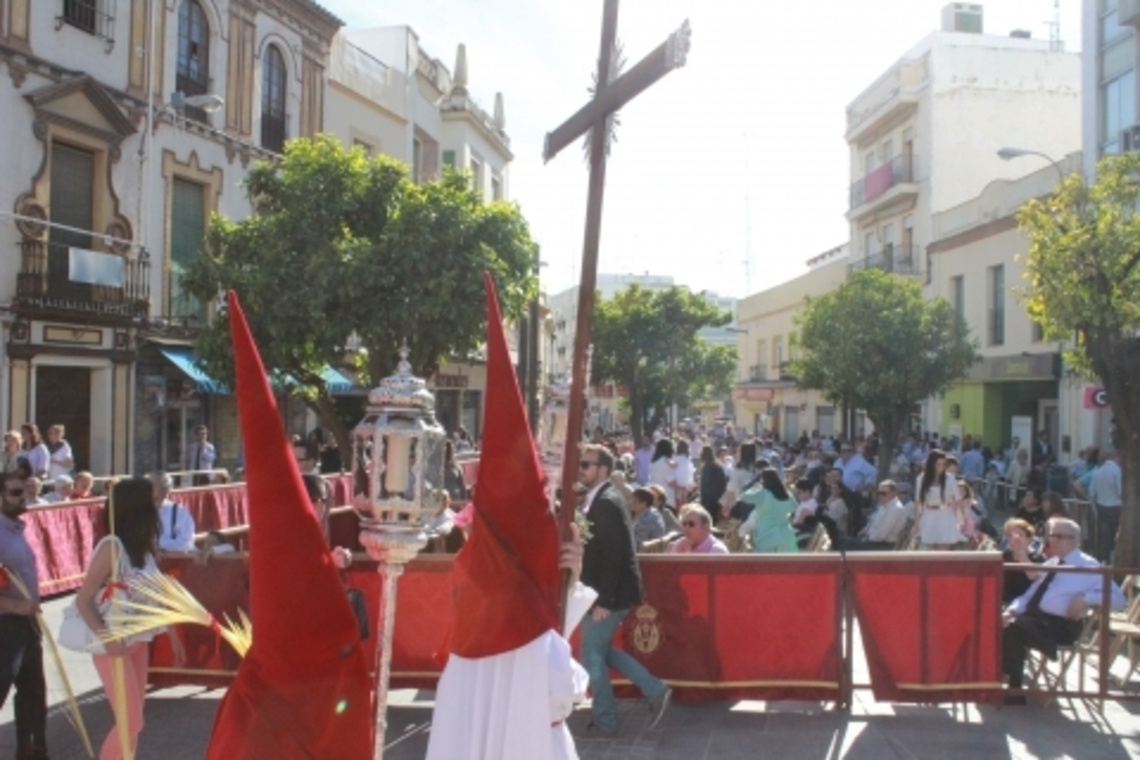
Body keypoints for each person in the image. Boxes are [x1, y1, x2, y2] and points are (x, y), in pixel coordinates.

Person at [76, 478, 185, 758]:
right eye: (152, 499)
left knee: (133, 723)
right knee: (132, 721)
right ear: (137, 508)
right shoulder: (111, 547)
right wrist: (108, 640)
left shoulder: (145, 547)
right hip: (114, 645)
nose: (158, 504)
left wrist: (171, 634)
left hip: (139, 640)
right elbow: (83, 599)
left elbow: (154, 593)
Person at [578, 444, 671, 736]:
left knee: (591, 656)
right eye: (581, 464)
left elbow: (614, 554)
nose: (581, 469)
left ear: (603, 470)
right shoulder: (603, 497)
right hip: (608, 593)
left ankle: (606, 721)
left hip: (607, 596)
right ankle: (656, 690)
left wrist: (603, 600)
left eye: (586, 465)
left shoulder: (605, 501)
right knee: (601, 651)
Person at [1002, 518, 1124, 704]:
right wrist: (1011, 610)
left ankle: (1014, 688)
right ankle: (1002, 680)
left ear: (1076, 540)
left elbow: (1119, 599)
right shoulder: (1052, 562)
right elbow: (1029, 595)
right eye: (1051, 535)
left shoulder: (1088, 565)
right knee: (1001, 620)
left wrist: (1086, 598)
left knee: (1013, 627)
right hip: (1037, 620)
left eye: (1060, 536)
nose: (1054, 540)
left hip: (1061, 626)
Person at [0, 470, 50, 759]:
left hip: (27, 623)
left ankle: (31, 751)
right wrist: (15, 606)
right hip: (6, 624)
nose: (24, 498)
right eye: (16, 493)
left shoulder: (16, 529)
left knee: (33, 692)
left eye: (25, 492)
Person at [737, 468, 798, 553]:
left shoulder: (763, 494)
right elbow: (794, 506)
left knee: (765, 565)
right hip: (786, 535)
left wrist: (754, 488)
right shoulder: (786, 494)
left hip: (766, 536)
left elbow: (744, 497)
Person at [915, 449, 963, 549]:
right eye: (938, 464)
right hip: (929, 516)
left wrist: (961, 520)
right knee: (929, 553)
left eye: (943, 464)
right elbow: (918, 502)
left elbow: (958, 500)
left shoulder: (950, 478)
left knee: (943, 553)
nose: (941, 467)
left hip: (945, 516)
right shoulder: (921, 479)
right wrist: (917, 522)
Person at [846, 480, 909, 549]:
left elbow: (881, 534)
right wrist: (865, 532)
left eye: (883, 493)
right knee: (846, 543)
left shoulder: (896, 509)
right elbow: (872, 523)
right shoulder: (883, 506)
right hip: (874, 541)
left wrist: (867, 537)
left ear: (893, 494)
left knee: (849, 546)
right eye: (878, 493)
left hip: (885, 546)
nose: (880, 496)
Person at [1088, 449, 1122, 563]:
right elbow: (1120, 491)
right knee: (1118, 538)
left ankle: (1104, 562)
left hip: (1101, 508)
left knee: (1104, 539)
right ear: (1116, 457)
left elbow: (1092, 492)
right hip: (1116, 508)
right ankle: (1116, 561)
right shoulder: (1117, 471)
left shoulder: (1098, 472)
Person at [150, 472, 196, 553]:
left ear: (167, 489)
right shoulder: (139, 512)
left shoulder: (180, 512)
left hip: (172, 563)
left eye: (154, 486)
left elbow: (187, 543)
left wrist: (159, 544)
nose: (150, 489)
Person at [1001, 518, 1044, 605]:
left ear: (1028, 538)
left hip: (1027, 602)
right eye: (1010, 535)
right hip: (1005, 601)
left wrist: (1020, 554)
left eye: (1020, 535)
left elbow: (1034, 577)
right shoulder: (1003, 557)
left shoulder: (1037, 557)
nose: (1014, 539)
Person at [647, 438, 678, 509]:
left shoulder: (654, 462)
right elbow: (671, 482)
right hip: (666, 499)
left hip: (654, 496)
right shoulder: (665, 463)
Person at [697, 446, 727, 518]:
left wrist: (703, 499)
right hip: (718, 496)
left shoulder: (707, 467)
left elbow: (705, 485)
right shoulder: (718, 465)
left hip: (709, 499)